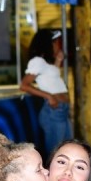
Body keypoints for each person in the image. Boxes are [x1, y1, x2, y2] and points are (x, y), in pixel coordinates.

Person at [20, 29, 72, 157]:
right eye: (55, 42)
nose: (57, 45)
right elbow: (24, 85)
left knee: (66, 149)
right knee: (56, 152)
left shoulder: (45, 63)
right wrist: (49, 96)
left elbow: (51, 79)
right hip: (54, 111)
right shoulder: (37, 61)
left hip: (62, 109)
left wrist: (58, 60)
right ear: (47, 44)